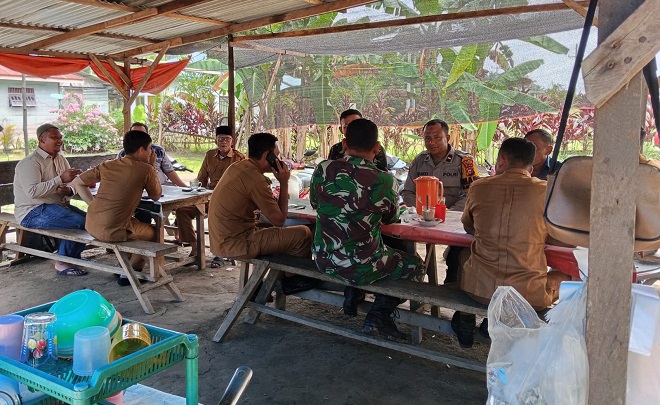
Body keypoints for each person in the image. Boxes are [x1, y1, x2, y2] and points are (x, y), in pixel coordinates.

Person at [311, 118, 424, 340]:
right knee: (415, 265)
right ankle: (378, 314)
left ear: (344, 144)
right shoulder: (384, 179)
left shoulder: (324, 169)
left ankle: (354, 294)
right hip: (361, 266)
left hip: (323, 260)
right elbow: (390, 218)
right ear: (377, 148)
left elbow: (315, 203)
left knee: (374, 253)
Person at [453, 137, 570, 348]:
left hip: (479, 292)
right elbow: (557, 236)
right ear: (531, 167)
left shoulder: (479, 187)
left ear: (502, 160)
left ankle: (467, 318)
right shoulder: (547, 192)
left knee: (463, 256)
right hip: (527, 298)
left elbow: (469, 227)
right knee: (567, 276)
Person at [72, 130, 161, 286]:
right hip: (112, 230)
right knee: (154, 233)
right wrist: (151, 166)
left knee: (134, 226)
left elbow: (78, 182)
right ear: (141, 150)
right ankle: (130, 272)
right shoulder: (145, 169)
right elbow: (156, 195)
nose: (150, 153)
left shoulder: (108, 164)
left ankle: (123, 266)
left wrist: (93, 204)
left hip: (92, 224)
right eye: (149, 149)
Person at [208, 132, 312, 264]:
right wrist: (284, 182)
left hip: (222, 239)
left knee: (275, 228)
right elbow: (279, 220)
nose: (278, 159)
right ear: (267, 155)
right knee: (304, 233)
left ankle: (282, 274)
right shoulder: (256, 179)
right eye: (276, 155)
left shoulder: (238, 166)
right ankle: (291, 276)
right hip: (236, 243)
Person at [401, 119, 480, 284]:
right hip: (423, 220)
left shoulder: (464, 161)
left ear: (448, 137)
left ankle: (451, 288)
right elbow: (408, 191)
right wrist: (422, 213)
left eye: (437, 137)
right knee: (404, 247)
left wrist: (448, 214)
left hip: (456, 220)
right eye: (427, 138)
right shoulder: (419, 160)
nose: (432, 142)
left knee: (457, 256)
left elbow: (472, 194)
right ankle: (415, 286)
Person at [13, 123, 87, 276]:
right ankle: (62, 261)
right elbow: (32, 191)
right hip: (32, 211)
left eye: (60, 137)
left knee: (92, 220)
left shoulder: (61, 159)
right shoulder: (30, 163)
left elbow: (71, 184)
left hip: (56, 206)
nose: (59, 140)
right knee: (80, 222)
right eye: (54, 137)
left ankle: (72, 258)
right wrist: (60, 180)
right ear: (42, 140)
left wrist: (69, 190)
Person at [176, 126, 246, 266]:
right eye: (220, 139)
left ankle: (220, 254)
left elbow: (244, 183)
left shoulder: (239, 158)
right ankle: (195, 248)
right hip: (209, 197)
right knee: (182, 210)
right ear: (216, 141)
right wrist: (195, 191)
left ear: (232, 141)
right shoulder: (209, 155)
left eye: (227, 139)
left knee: (217, 215)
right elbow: (201, 179)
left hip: (228, 201)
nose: (224, 142)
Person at [116, 122, 187, 187]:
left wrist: (185, 187)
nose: (138, 137)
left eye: (141, 134)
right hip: (138, 189)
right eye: (134, 134)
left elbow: (169, 171)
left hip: (163, 186)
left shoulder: (158, 151)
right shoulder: (123, 154)